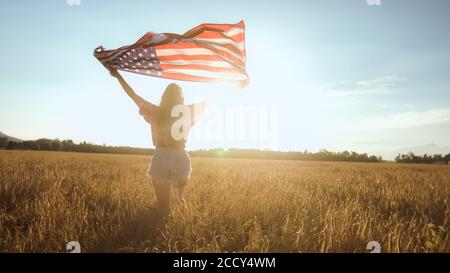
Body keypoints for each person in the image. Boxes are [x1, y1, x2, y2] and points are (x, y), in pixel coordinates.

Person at [109, 69, 207, 218]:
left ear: (164, 96)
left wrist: (118, 76)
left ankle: (164, 228)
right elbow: (207, 103)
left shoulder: (156, 111)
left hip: (161, 157)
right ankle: (184, 223)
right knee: (181, 200)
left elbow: (132, 95)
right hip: (181, 158)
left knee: (164, 210)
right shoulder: (187, 112)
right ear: (180, 98)